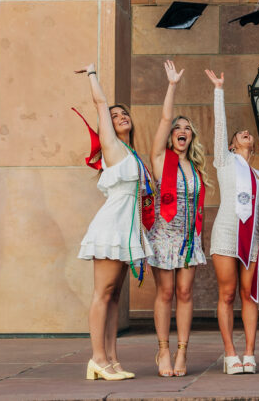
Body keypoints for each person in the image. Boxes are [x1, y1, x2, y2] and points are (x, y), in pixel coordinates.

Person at [75, 63, 152, 381]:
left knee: (115, 297)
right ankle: (97, 358)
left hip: (127, 228)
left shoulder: (132, 152)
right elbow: (99, 105)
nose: (121, 117)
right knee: (102, 293)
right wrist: (93, 74)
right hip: (111, 227)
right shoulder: (112, 145)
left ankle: (112, 359)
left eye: (125, 115)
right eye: (115, 115)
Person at [206, 68, 259, 374]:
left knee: (248, 293)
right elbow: (220, 128)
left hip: (251, 239)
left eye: (247, 134)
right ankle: (230, 354)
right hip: (226, 235)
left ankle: (250, 353)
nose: (245, 134)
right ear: (231, 145)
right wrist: (219, 90)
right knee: (227, 293)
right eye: (240, 134)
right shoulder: (225, 163)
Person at [148, 60, 208, 377]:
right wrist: (172, 86)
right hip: (163, 234)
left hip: (188, 239)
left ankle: (183, 351)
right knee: (166, 293)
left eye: (187, 128)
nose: (181, 131)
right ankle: (163, 351)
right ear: (170, 137)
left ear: (191, 137)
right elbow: (165, 116)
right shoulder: (161, 159)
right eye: (177, 129)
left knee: (185, 294)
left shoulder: (195, 169)